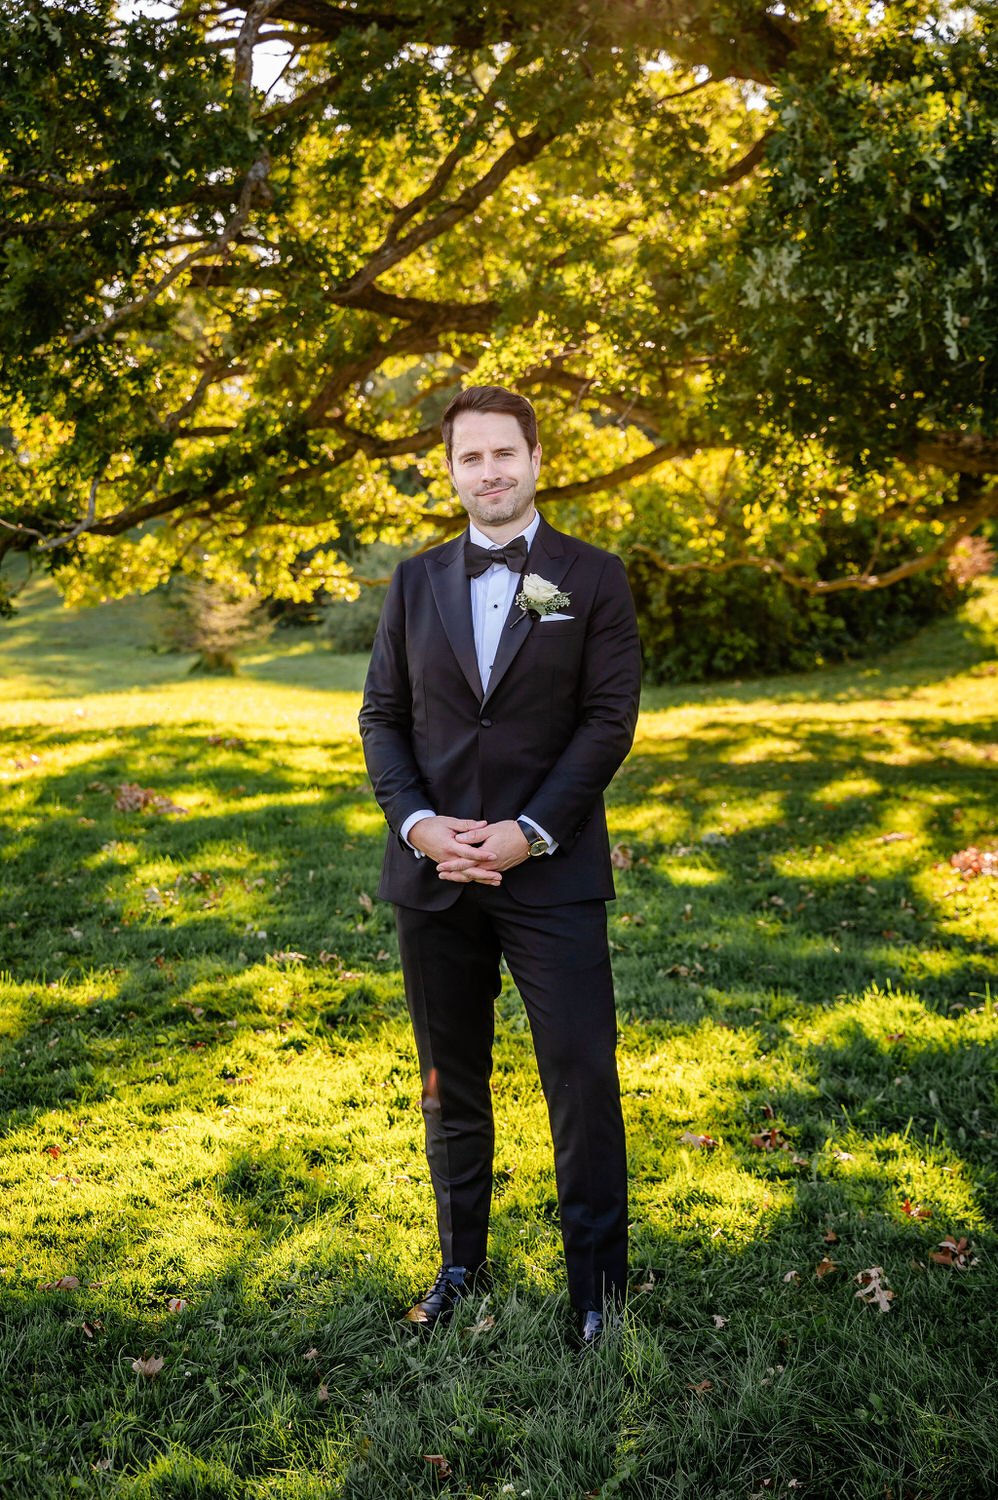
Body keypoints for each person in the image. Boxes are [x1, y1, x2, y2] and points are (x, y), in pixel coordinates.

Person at [358, 384, 642, 1346]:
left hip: (550, 872)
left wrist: (531, 830)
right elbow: (382, 718)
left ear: (535, 460)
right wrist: (418, 825)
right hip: (436, 877)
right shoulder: (412, 582)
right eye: (470, 457)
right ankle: (458, 1263)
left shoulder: (592, 577)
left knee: (578, 1072)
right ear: (450, 472)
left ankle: (598, 1288)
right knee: (449, 1081)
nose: (490, 471)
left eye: (504, 454)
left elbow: (609, 722)